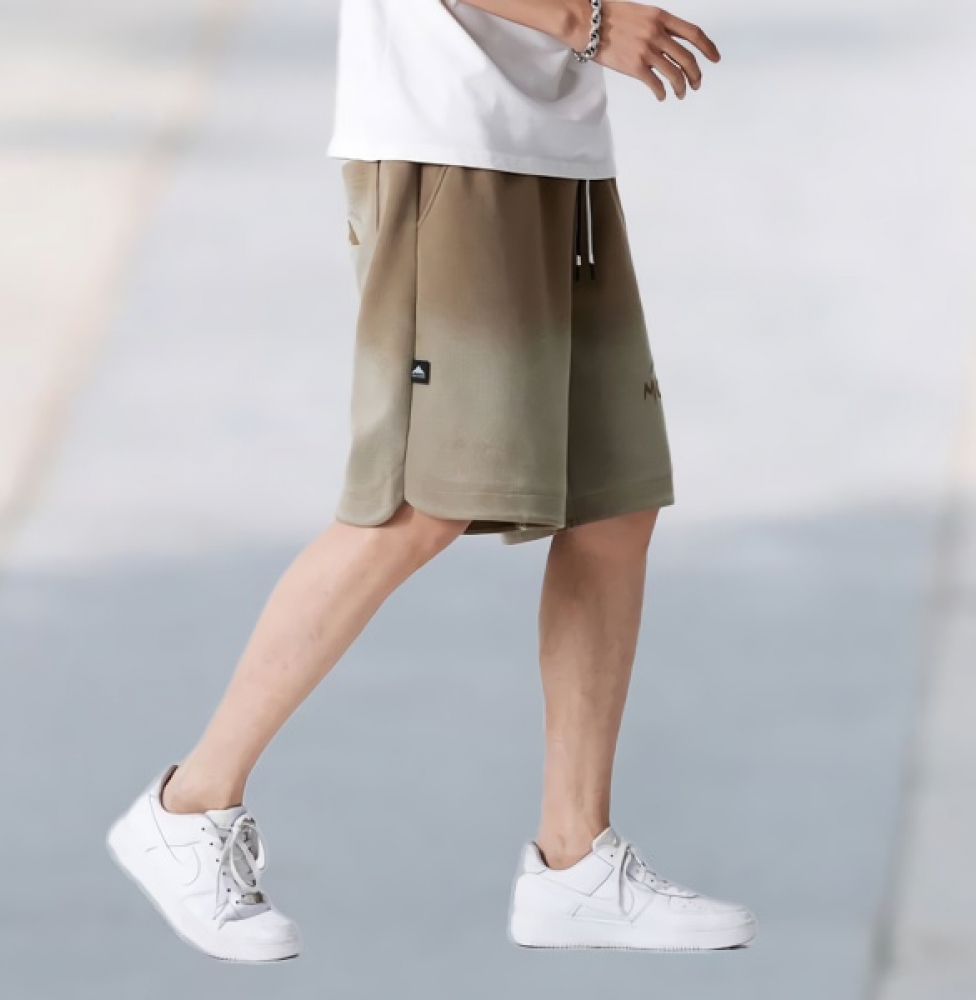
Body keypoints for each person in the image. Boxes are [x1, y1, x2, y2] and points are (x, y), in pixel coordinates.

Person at [106, 0, 757, 961]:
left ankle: (575, 862)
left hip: (554, 143)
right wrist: (581, 21)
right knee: (414, 501)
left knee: (613, 504)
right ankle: (188, 808)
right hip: (447, 142)